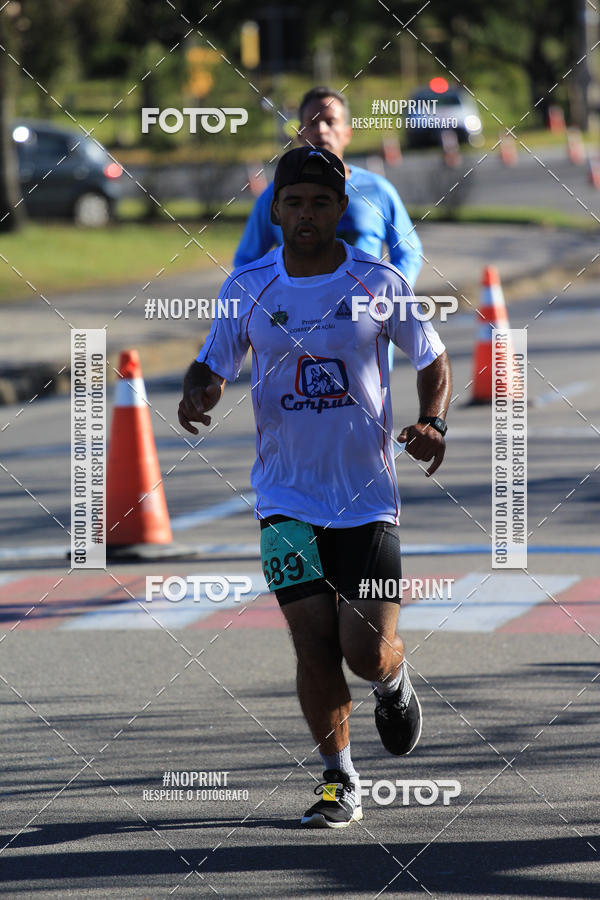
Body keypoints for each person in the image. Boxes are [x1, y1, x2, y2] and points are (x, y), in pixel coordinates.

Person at [178, 146, 451, 829]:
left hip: (367, 500)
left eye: (320, 203)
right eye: (294, 202)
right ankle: (339, 777)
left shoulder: (378, 281)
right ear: (275, 210)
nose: (306, 214)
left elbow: (433, 356)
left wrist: (433, 421)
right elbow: (211, 362)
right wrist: (198, 391)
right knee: (312, 643)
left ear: (340, 210)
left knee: (364, 651)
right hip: (283, 501)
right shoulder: (248, 287)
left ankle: (392, 680)